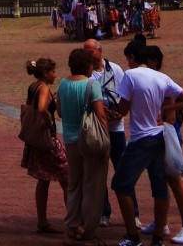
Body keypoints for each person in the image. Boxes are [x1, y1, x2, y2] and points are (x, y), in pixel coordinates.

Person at [110, 40, 183, 246]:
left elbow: (123, 110)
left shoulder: (130, 75)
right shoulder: (162, 77)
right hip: (159, 136)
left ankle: (132, 236)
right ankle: (158, 237)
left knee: (120, 184)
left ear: (133, 58)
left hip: (141, 137)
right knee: (160, 188)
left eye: (128, 58)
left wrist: (114, 111)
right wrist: (165, 110)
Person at [142, 45, 183, 244]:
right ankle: (161, 223)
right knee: (160, 182)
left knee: (174, 181)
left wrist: (166, 110)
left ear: (154, 62)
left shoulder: (162, 81)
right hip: (159, 134)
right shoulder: (150, 80)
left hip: (167, 135)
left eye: (147, 60)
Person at [56, 47, 109, 245]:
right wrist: (106, 142)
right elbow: (101, 115)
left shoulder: (62, 84)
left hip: (70, 138)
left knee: (74, 185)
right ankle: (88, 228)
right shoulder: (91, 85)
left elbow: (60, 112)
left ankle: (72, 225)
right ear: (88, 65)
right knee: (93, 186)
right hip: (90, 139)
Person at [83, 38, 135, 229]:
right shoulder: (86, 74)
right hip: (98, 129)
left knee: (124, 170)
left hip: (116, 128)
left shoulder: (115, 69)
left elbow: (124, 94)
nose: (88, 55)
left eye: (90, 52)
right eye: (85, 52)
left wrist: (119, 113)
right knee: (99, 172)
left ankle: (133, 213)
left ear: (100, 51)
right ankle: (104, 212)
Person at [19, 57, 68, 234]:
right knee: (67, 178)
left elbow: (30, 105)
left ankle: (42, 221)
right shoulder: (45, 88)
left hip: (35, 140)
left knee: (44, 179)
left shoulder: (34, 87)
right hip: (48, 139)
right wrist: (49, 122)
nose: (56, 75)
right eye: (53, 72)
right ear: (47, 73)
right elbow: (41, 108)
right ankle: (74, 221)